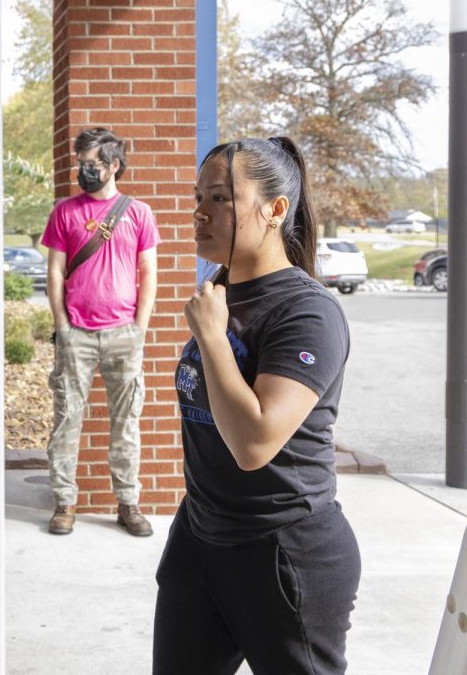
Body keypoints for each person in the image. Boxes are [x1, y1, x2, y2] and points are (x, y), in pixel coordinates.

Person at [152, 137, 360, 674]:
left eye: (220, 198)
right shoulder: (219, 294)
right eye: (198, 197)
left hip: (284, 552)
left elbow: (254, 443)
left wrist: (214, 338)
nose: (200, 212)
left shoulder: (308, 312)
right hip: (200, 539)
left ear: (275, 210)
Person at [42, 127, 160, 537]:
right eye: (80, 163)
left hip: (124, 335)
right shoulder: (64, 212)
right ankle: (64, 503)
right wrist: (62, 325)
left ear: (113, 166)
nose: (83, 170)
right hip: (76, 335)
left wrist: (139, 329)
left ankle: (128, 504)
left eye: (91, 163)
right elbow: (55, 270)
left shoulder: (138, 213)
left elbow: (149, 272)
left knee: (126, 423)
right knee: (66, 419)